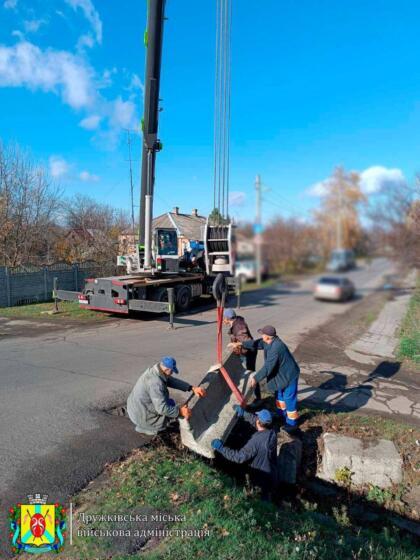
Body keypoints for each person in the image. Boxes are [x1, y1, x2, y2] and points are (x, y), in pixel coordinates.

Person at [232, 325, 300, 433]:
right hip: (282, 375)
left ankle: (292, 423)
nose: (261, 336)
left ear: (268, 337)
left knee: (289, 399)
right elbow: (257, 343)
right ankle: (281, 415)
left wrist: (256, 378)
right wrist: (241, 343)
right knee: (279, 397)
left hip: (290, 375)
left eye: (263, 334)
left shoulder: (276, 348)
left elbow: (268, 367)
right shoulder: (268, 341)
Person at [127, 356, 206, 436]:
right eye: (172, 371)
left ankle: (146, 424)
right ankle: (150, 429)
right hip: (140, 414)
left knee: (170, 403)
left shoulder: (156, 371)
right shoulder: (155, 383)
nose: (172, 374)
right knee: (168, 414)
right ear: (167, 369)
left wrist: (191, 388)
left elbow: (172, 381)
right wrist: (180, 412)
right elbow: (162, 409)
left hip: (135, 407)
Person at [211, 408, 277, 500]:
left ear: (259, 421)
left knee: (261, 500)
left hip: (260, 476)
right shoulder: (272, 432)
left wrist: (221, 448)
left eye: (257, 418)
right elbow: (256, 421)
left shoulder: (255, 441)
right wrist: (244, 414)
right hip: (271, 472)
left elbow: (239, 457)